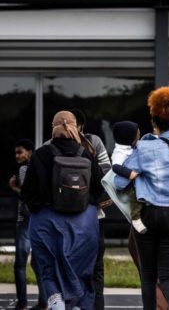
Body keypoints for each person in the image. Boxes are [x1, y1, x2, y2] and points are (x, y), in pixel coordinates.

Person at [115, 87, 169, 310]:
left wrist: (137, 175)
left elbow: (119, 182)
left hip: (147, 215)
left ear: (153, 121)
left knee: (148, 275)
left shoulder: (143, 147)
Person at [20, 111, 108, 310]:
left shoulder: (41, 154)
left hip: (46, 222)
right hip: (83, 225)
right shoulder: (86, 153)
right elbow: (100, 189)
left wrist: (38, 208)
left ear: (53, 127)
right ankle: (76, 304)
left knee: (48, 268)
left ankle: (56, 300)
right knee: (80, 270)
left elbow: (27, 192)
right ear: (75, 127)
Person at [68, 109, 110, 310]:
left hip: (66, 217)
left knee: (70, 268)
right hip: (93, 215)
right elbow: (107, 174)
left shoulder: (49, 146)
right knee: (95, 271)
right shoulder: (94, 143)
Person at [9, 139, 47, 310]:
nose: (17, 156)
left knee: (20, 264)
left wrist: (13, 187)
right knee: (37, 264)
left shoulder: (24, 168)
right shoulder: (41, 168)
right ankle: (44, 302)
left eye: (20, 152)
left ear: (30, 152)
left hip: (25, 221)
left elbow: (25, 194)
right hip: (40, 220)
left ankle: (22, 303)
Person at [110, 121, 146, 233]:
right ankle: (135, 218)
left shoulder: (133, 147)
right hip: (127, 185)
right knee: (136, 196)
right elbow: (115, 166)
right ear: (129, 138)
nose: (138, 138)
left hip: (135, 180)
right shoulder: (119, 152)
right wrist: (129, 173)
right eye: (137, 136)